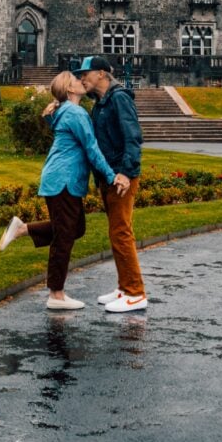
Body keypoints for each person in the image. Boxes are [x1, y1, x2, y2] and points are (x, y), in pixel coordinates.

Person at [0, 71, 122, 310]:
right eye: (77, 80)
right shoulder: (75, 112)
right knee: (64, 236)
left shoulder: (66, 111)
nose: (81, 81)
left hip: (62, 179)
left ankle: (22, 229)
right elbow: (91, 148)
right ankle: (56, 294)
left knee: (75, 228)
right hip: (63, 180)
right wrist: (111, 176)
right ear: (71, 89)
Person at [74, 55, 148, 313]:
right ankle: (125, 286)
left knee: (121, 232)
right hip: (110, 177)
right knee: (117, 232)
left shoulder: (119, 99)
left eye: (86, 73)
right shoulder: (101, 103)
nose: (82, 78)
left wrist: (126, 173)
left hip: (121, 177)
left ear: (102, 74)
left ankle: (136, 292)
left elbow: (133, 137)